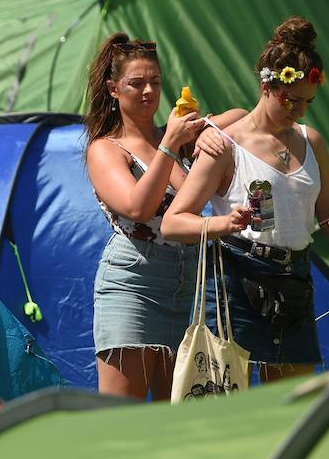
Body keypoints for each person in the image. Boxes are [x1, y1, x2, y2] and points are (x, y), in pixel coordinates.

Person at [161, 17, 329, 383]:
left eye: (308, 102)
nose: (299, 110)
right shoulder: (225, 143)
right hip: (236, 277)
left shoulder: (312, 141)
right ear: (266, 86)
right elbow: (174, 222)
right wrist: (222, 224)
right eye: (291, 100)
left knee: (291, 407)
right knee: (228, 407)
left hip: (295, 281)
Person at [86, 33, 246, 400]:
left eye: (155, 83)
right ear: (113, 89)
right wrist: (170, 146)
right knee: (122, 419)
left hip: (187, 284)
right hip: (133, 283)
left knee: (173, 415)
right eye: (136, 84)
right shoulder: (106, 149)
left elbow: (242, 117)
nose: (148, 92)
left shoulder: (179, 135)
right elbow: (137, 208)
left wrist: (209, 132)